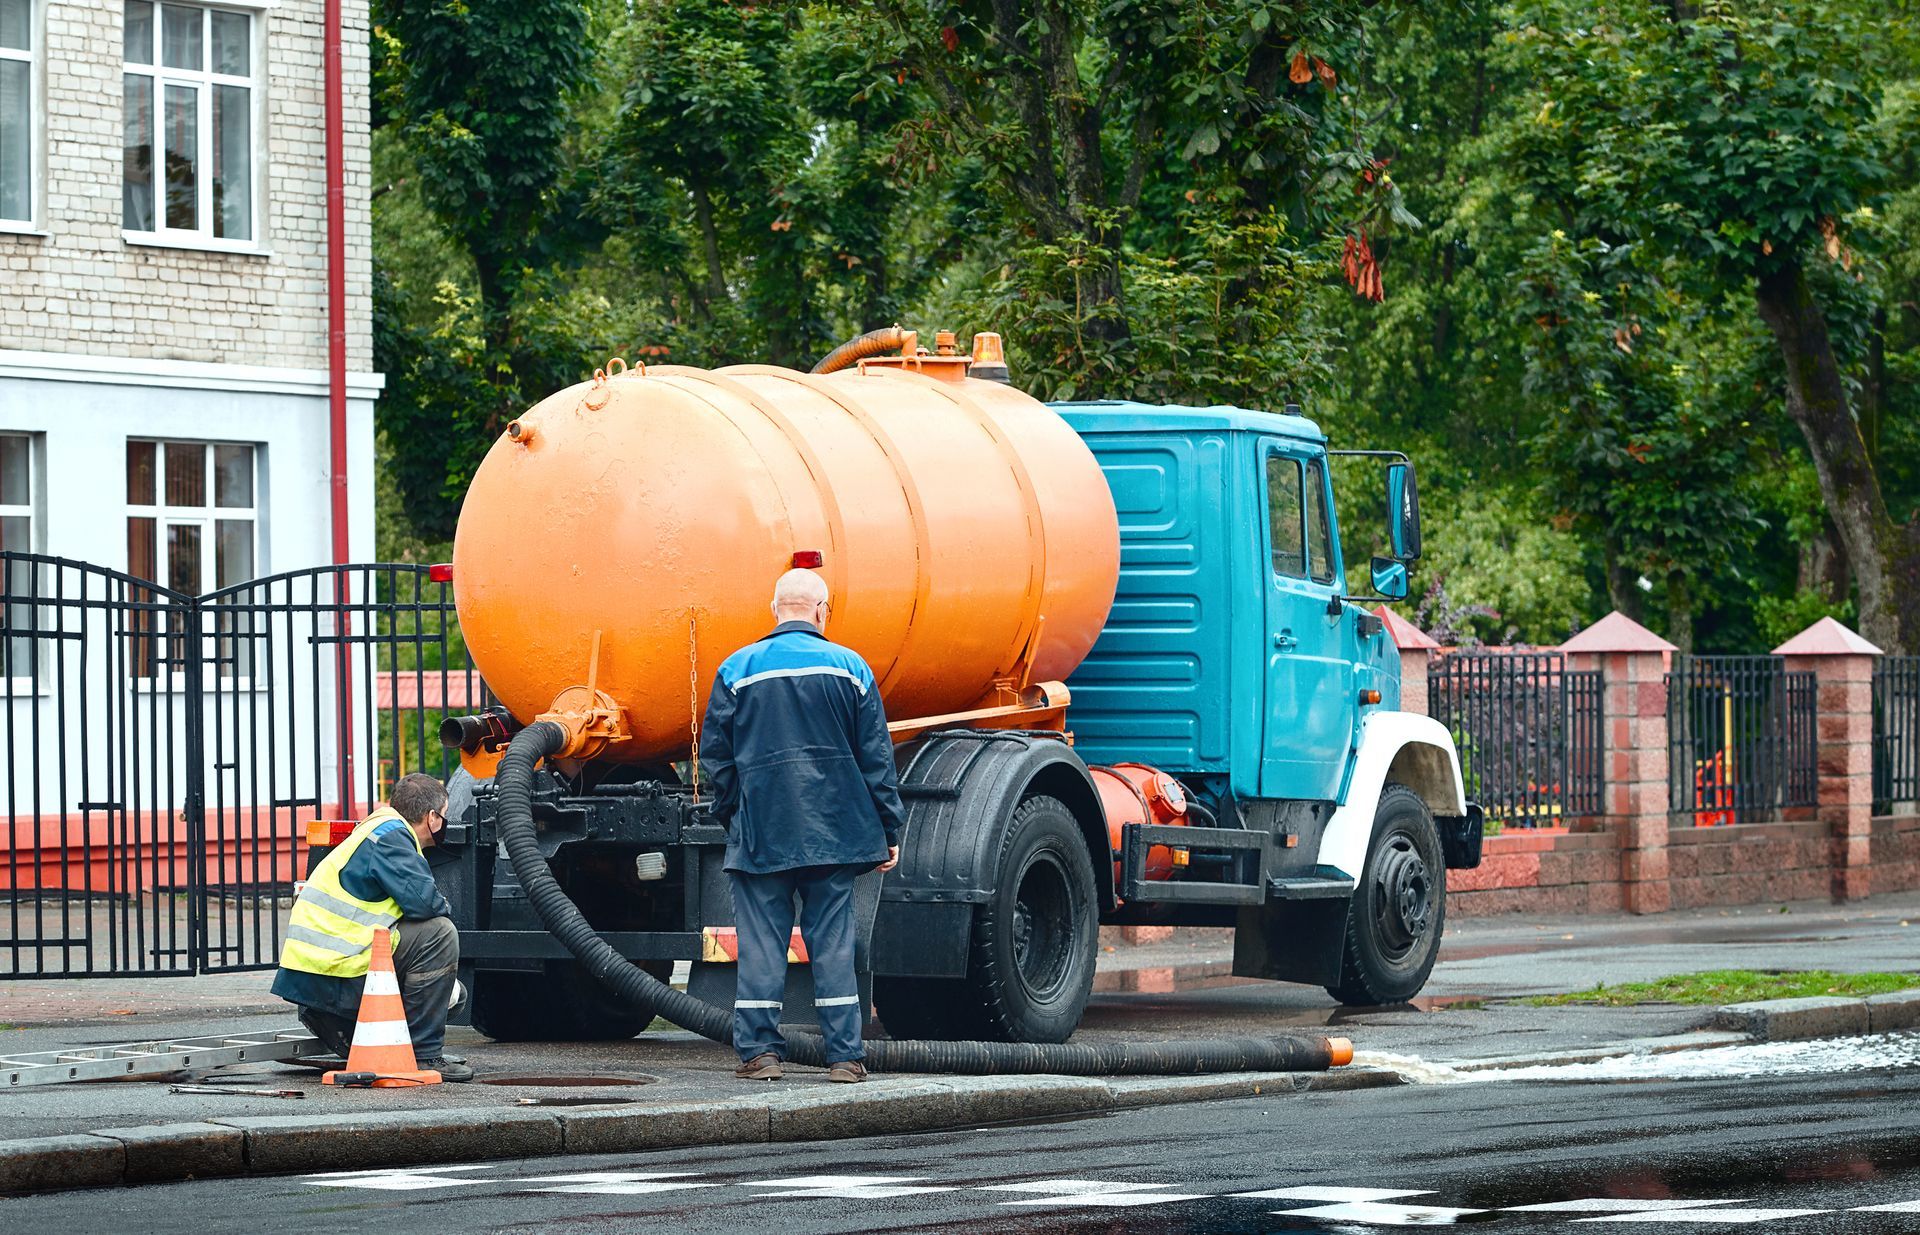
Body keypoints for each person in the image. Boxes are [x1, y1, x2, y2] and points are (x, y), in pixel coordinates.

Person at [699, 568, 907, 1083]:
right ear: (822, 611)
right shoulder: (851, 669)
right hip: (835, 833)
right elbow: (875, 758)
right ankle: (844, 1057)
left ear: (775, 610)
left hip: (762, 832)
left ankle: (760, 1055)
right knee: (833, 943)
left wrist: (736, 815)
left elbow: (715, 760)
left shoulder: (736, 669)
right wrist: (889, 827)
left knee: (762, 943)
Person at [271, 772, 473, 1082]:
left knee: (452, 993)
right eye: (443, 816)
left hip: (320, 976)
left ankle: (388, 1045)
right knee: (439, 935)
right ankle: (424, 1056)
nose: (444, 823)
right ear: (431, 816)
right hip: (335, 975)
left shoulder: (377, 829)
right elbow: (427, 904)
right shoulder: (392, 836)